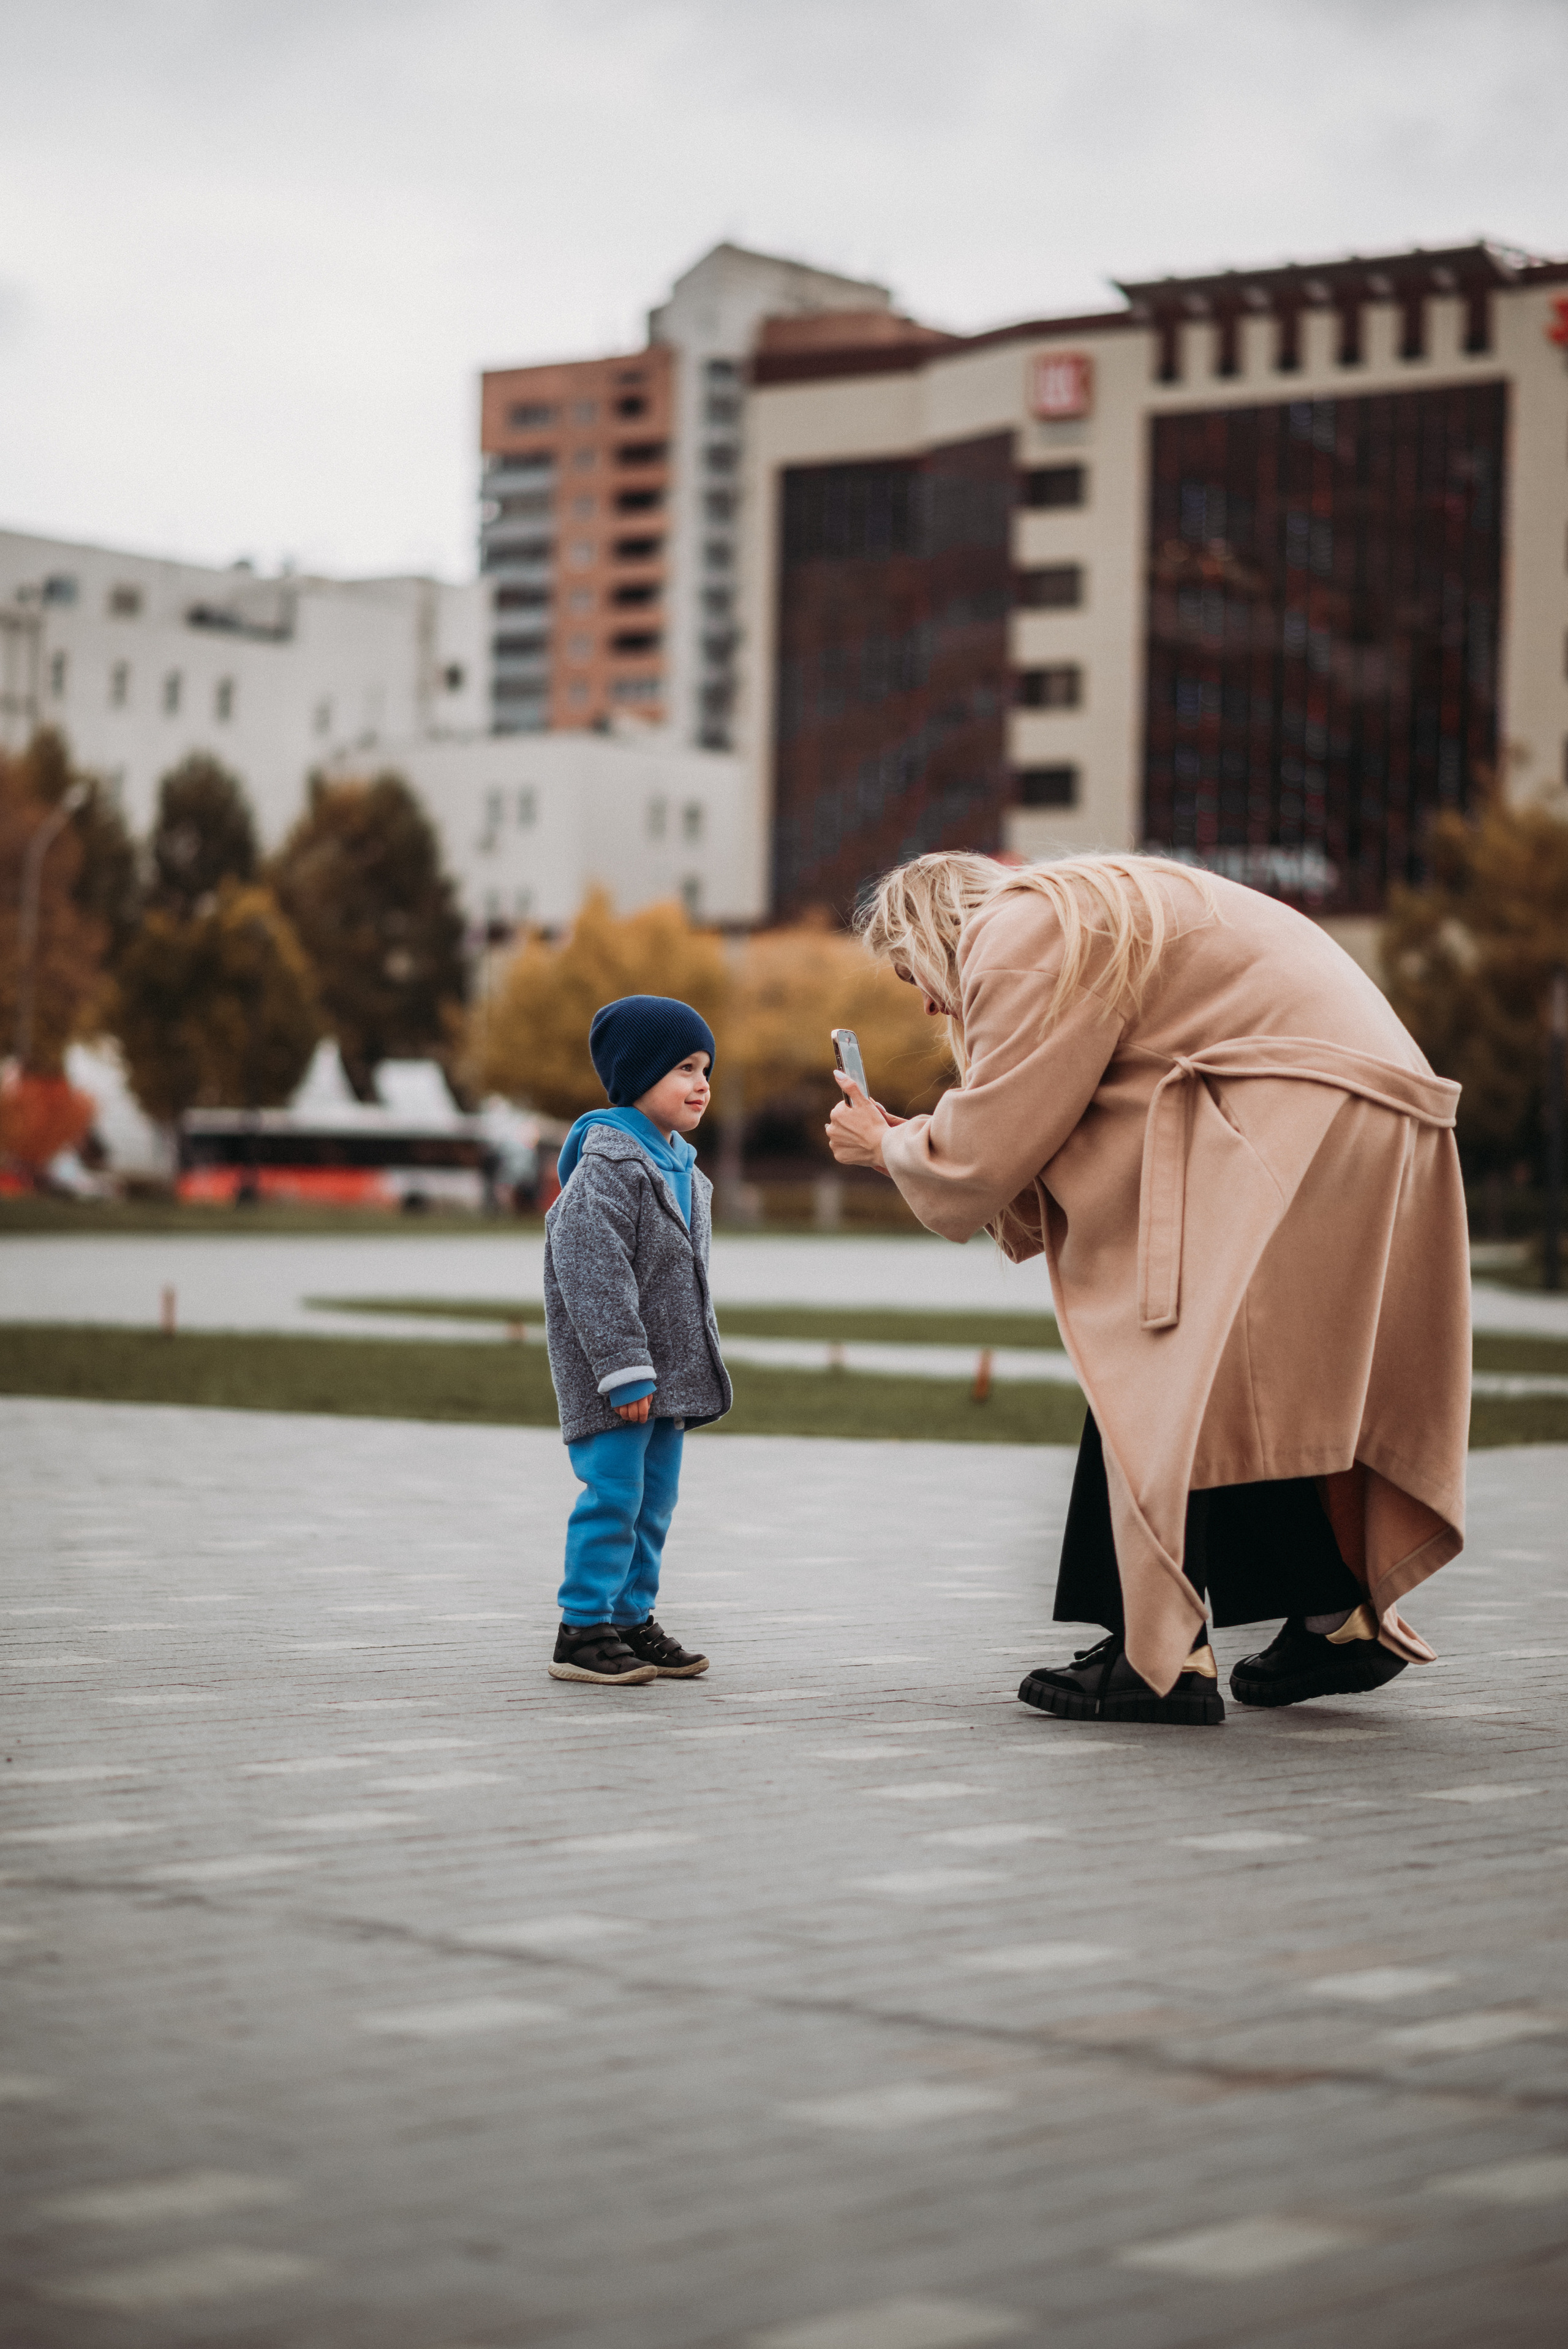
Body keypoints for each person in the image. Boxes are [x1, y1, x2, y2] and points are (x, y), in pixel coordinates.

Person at [827, 851, 1469, 1727]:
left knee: (1149, 1348)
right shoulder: (1088, 906)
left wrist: (889, 1147)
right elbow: (1039, 1121)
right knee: (1216, 1369)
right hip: (1370, 1107)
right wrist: (932, 1142)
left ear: (933, 928)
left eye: (913, 974)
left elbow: (987, 1152)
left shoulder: (1018, 929)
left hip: (1295, 1104)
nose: (931, 1004)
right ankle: (1333, 1617)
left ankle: (1155, 1652)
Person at [542, 994, 731, 1687]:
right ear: (636, 1074)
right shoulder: (606, 1171)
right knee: (613, 1497)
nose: (702, 1084)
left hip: (669, 1382)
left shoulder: (684, 1169)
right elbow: (595, 1279)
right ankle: (581, 1628)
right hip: (617, 1380)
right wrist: (624, 1372)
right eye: (684, 1067)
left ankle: (628, 1618)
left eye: (706, 1068)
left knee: (653, 1503)